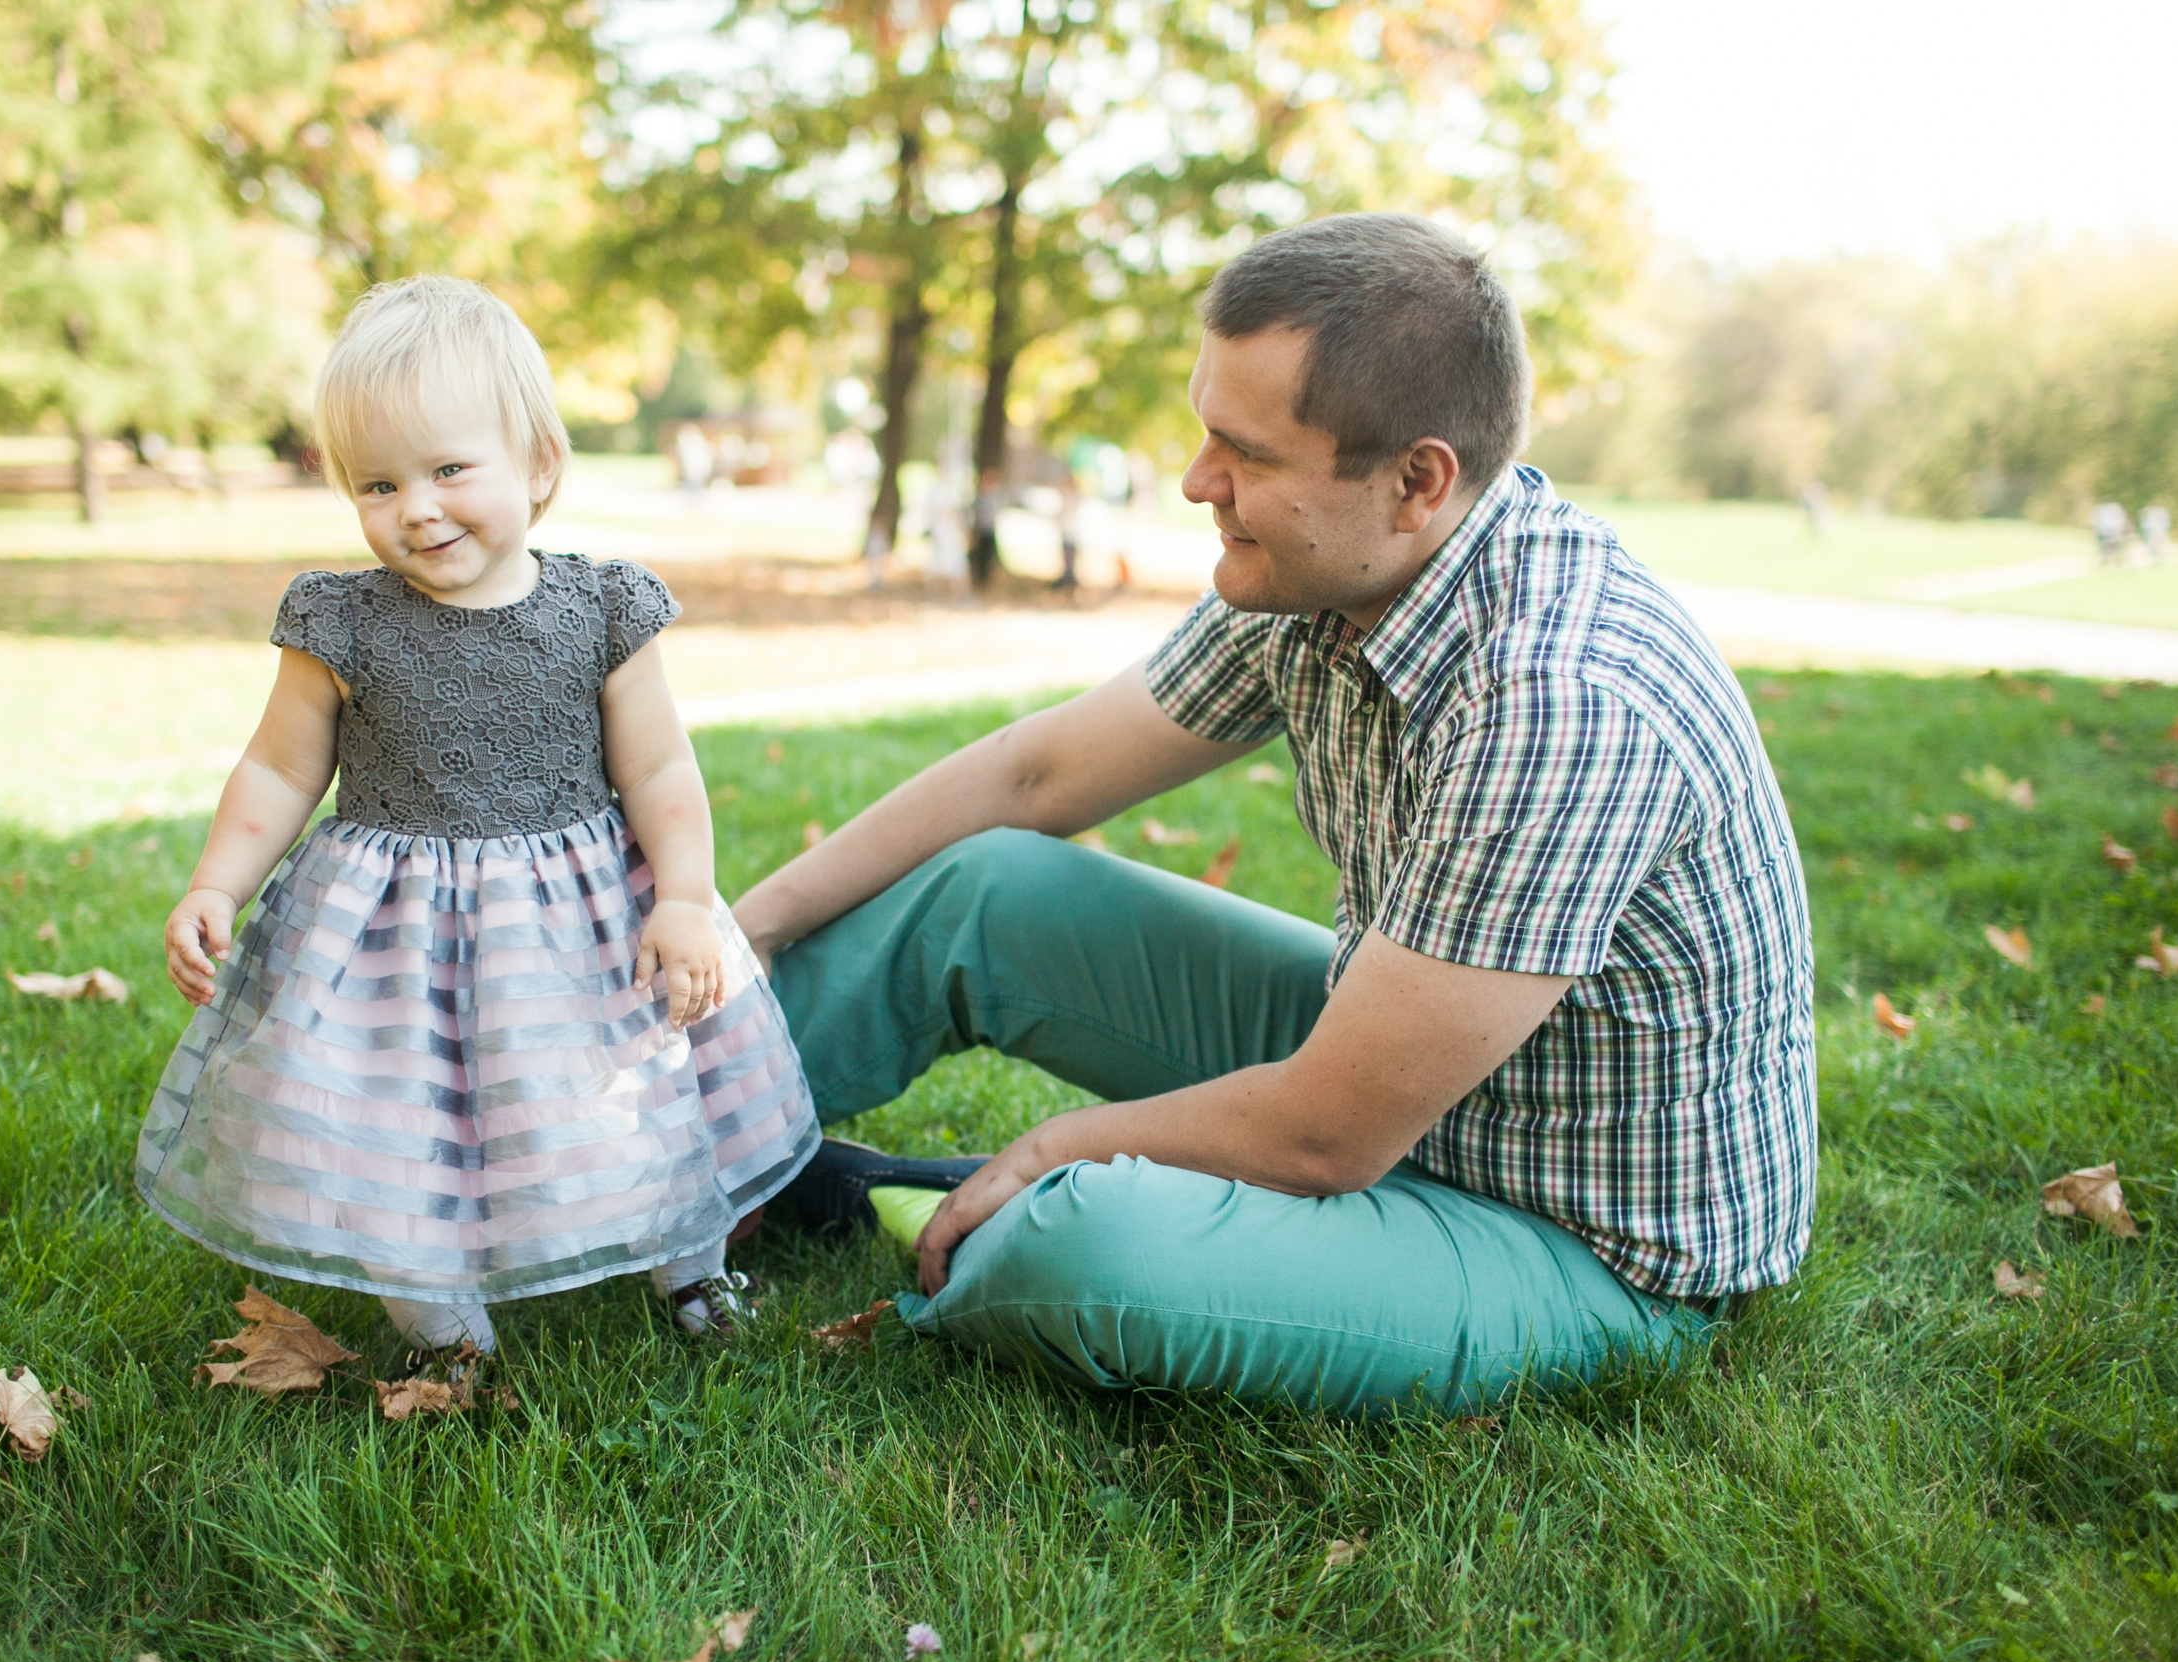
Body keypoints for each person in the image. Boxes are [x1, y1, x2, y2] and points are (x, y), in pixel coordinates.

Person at [742, 213, 1816, 1417]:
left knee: (1084, 1248)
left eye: (1244, 453)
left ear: (1417, 481)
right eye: (1206, 434)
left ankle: (940, 1195)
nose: (1200, 483)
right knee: (988, 883)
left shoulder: (1564, 699)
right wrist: (745, 929)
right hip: (1400, 1067)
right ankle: (651, 1138)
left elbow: (1326, 1138)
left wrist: (1057, 1146)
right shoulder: (1319, 570)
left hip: (1581, 1236)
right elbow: (1037, 778)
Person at [137, 277, 820, 1354]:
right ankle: (442, 1323)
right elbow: (277, 771)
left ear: (539, 462)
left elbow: (658, 769)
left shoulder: (602, 608)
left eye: (451, 469)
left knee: (638, 1086)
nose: (416, 507)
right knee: (407, 1123)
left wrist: (685, 898)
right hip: (393, 934)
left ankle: (690, 1266)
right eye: (378, 482)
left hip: (584, 917)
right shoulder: (340, 622)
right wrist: (216, 883)